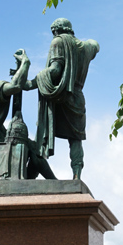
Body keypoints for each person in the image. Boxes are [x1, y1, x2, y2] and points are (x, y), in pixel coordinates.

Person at [25, 18, 99, 179]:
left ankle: (33, 172)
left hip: (59, 97)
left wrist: (31, 83)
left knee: (44, 134)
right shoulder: (86, 47)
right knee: (76, 139)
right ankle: (76, 176)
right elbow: (95, 45)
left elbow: (56, 70)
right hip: (78, 97)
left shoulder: (58, 42)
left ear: (57, 30)